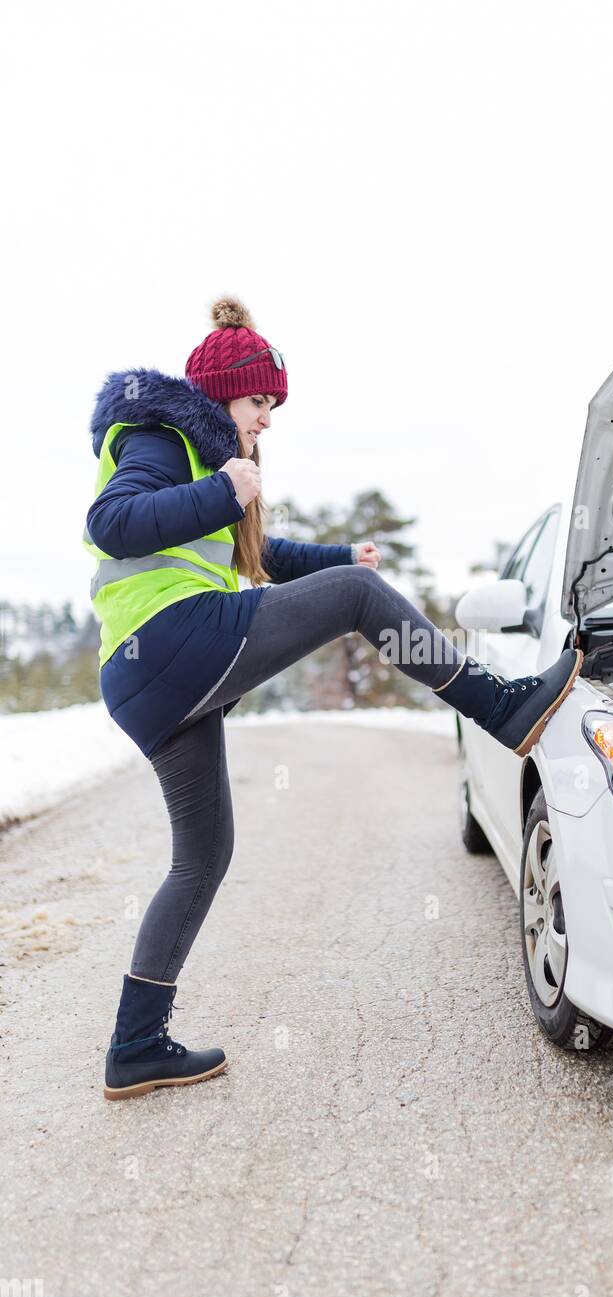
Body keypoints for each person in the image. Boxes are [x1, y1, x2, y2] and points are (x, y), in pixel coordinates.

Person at [85, 297, 583, 1101]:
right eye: (258, 403)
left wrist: (335, 554)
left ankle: (136, 1044)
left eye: (273, 407)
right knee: (356, 595)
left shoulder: (212, 463)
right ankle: (504, 708)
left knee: (203, 856)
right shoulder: (158, 436)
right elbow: (113, 522)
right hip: (169, 641)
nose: (268, 420)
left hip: (153, 679)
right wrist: (224, 491)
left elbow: (262, 555)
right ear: (220, 395)